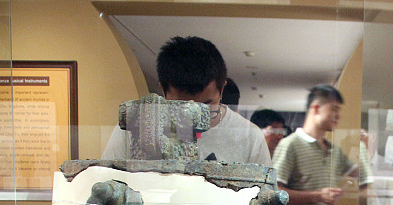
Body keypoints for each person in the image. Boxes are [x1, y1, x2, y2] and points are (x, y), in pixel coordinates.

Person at [102, 36, 270, 166]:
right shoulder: (135, 125)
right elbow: (109, 183)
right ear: (163, 90)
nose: (193, 118)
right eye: (180, 106)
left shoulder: (249, 136)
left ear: (222, 90)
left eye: (205, 106)